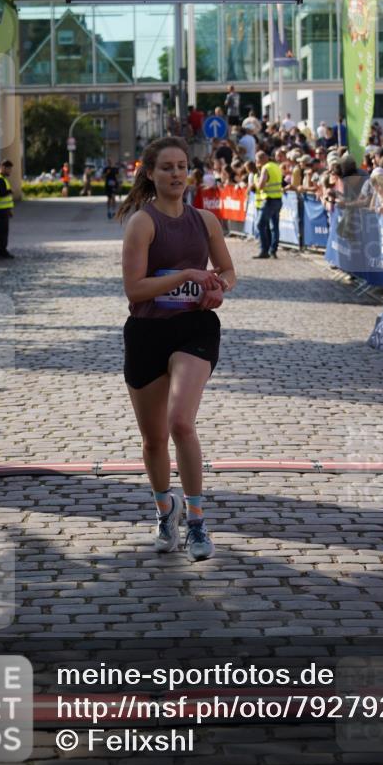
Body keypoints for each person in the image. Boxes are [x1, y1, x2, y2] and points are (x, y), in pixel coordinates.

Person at [118, 136, 236, 562]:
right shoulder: (142, 223)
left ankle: (199, 522)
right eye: (166, 167)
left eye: (182, 165)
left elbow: (227, 271)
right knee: (153, 439)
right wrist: (185, 273)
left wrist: (218, 289)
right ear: (150, 173)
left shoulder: (205, 220)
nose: (175, 173)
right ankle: (166, 509)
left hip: (195, 328)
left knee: (181, 422)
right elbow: (134, 288)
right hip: (148, 331)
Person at [254, 150, 283, 259]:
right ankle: (273, 250)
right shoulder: (276, 166)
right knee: (274, 226)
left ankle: (264, 250)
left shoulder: (265, 168)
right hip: (278, 199)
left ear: (261, 159)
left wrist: (256, 182)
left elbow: (261, 185)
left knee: (260, 225)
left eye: (257, 161)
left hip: (269, 200)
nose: (257, 163)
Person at [0, 158, 15, 259]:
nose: (10, 171)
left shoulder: (1, 178)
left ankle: (2, 251)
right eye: (9, 169)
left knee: (3, 231)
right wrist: (9, 191)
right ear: (3, 168)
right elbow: (1, 193)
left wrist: (9, 210)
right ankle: (0, 252)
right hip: (0, 209)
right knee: (1, 232)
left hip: (3, 209)